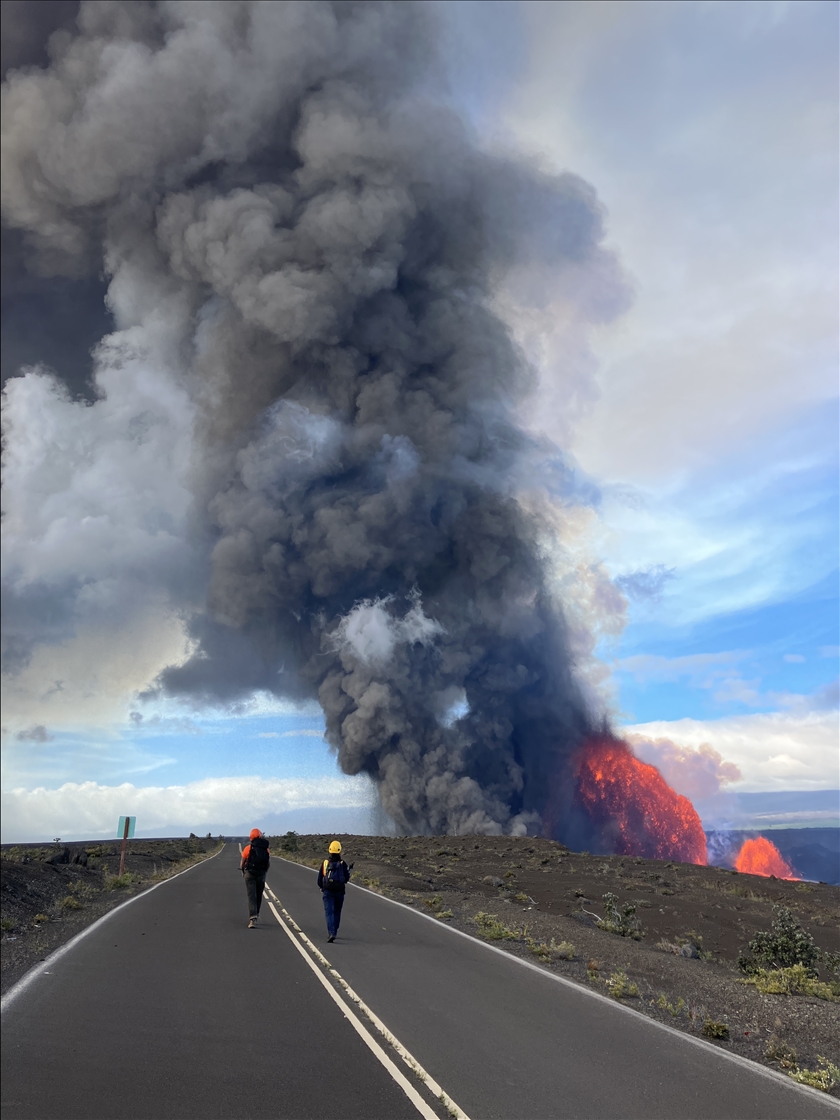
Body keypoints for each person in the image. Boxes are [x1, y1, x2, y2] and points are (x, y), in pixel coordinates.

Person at [317, 840, 351, 942]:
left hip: (328, 891)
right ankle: (334, 931)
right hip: (340, 892)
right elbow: (346, 879)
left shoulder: (325, 863)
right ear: (340, 850)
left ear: (330, 850)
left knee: (329, 912)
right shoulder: (343, 864)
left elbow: (319, 879)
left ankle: (331, 933)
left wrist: (322, 887)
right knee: (337, 912)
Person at [240, 829, 270, 928]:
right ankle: (256, 913)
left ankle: (252, 918)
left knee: (251, 896)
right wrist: (264, 872)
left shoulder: (248, 848)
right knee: (259, 895)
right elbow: (267, 863)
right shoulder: (265, 849)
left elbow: (242, 863)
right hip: (261, 874)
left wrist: (243, 871)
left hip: (250, 874)